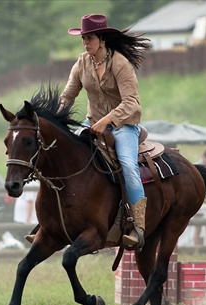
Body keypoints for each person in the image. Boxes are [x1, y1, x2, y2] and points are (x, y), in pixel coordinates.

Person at [58, 14, 151, 247]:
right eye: (83, 39)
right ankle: (53, 220)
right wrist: (57, 115)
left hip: (123, 126)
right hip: (93, 123)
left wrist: (106, 120)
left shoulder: (120, 63)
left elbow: (131, 102)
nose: (85, 43)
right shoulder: (81, 63)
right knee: (65, 155)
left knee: (128, 165)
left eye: (89, 38)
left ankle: (138, 226)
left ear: (102, 39)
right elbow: (68, 95)